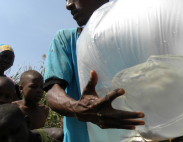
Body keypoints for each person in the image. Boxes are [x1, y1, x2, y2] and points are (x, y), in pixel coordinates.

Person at [44, 0, 145, 141]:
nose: (68, 5)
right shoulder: (66, 40)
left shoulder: (134, 38)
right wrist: (76, 107)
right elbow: (53, 92)